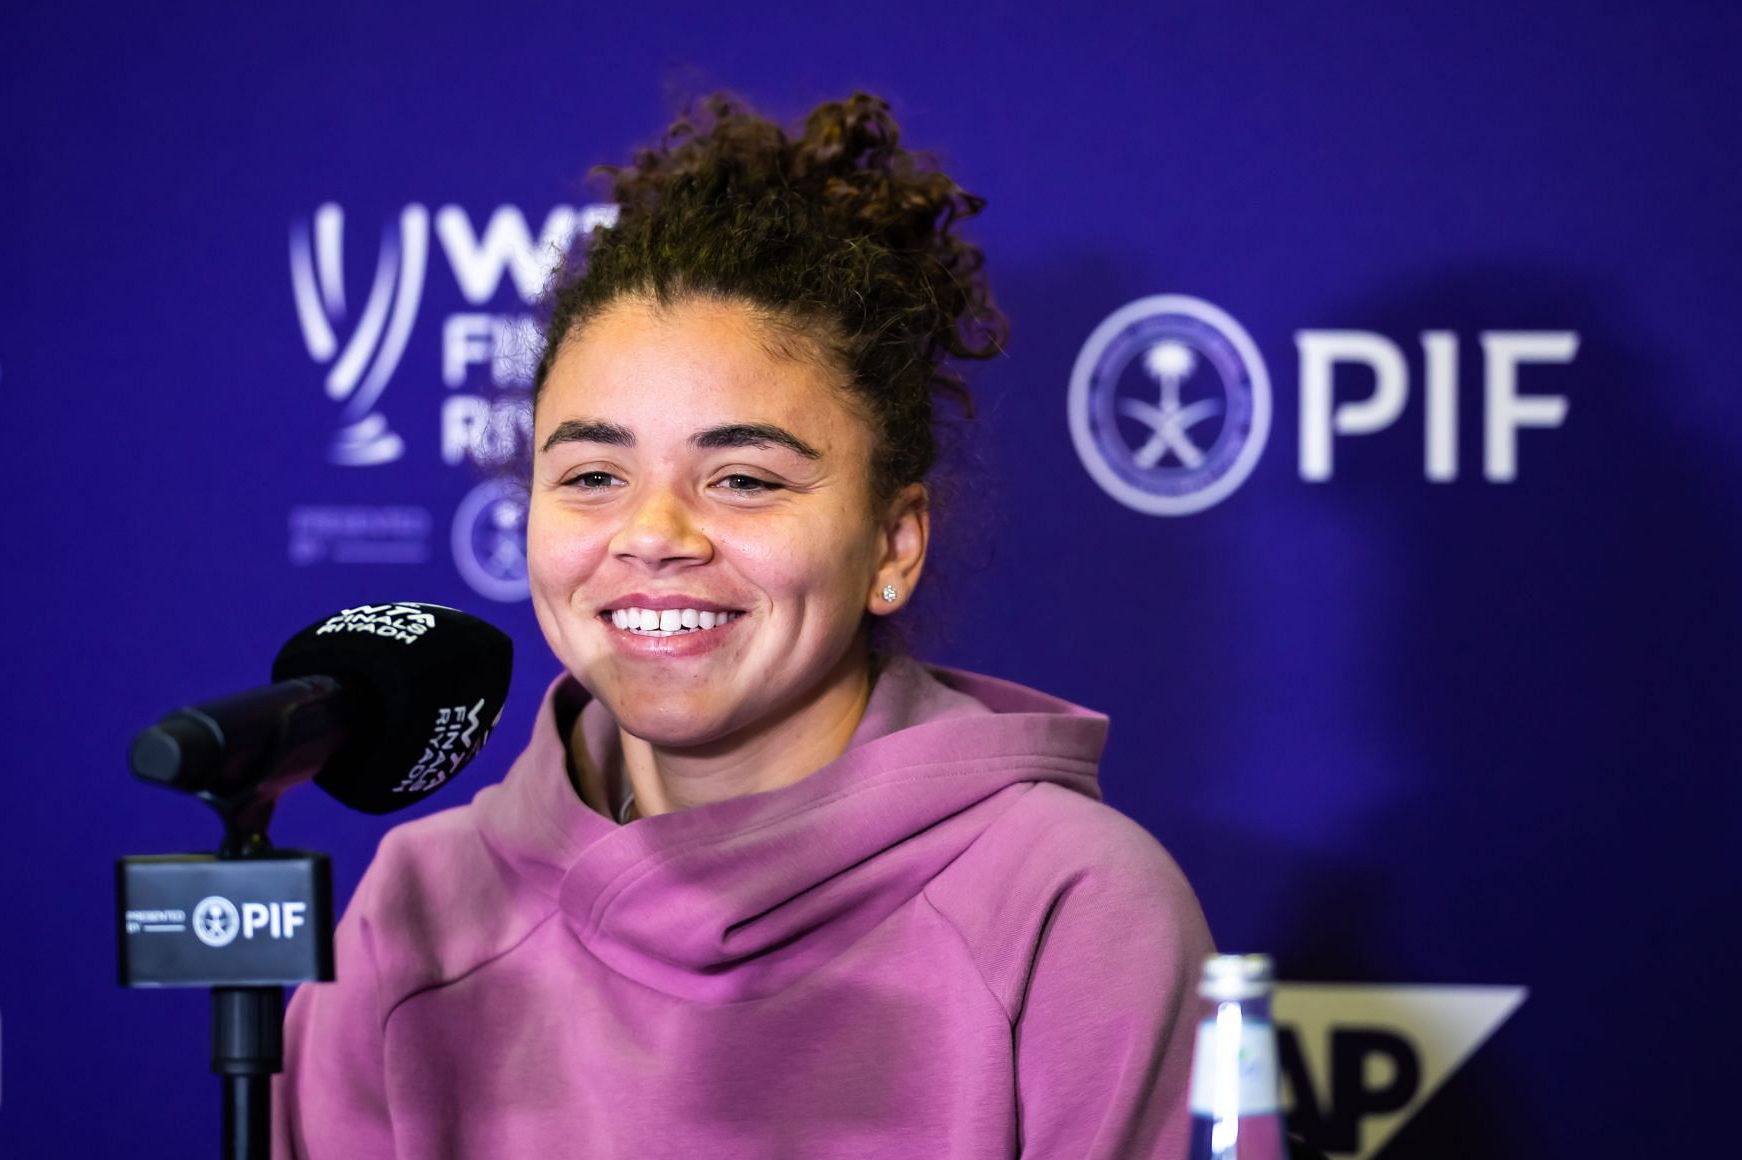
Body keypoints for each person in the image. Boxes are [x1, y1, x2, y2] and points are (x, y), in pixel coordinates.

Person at [274, 92, 1214, 1159]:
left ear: (893, 545)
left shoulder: (1073, 906)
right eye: (591, 473)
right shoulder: (421, 905)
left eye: (743, 478)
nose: (655, 532)